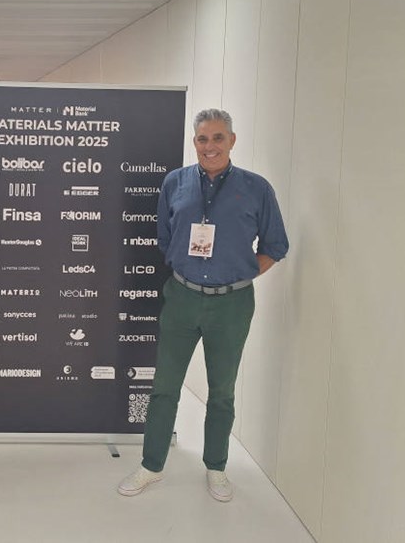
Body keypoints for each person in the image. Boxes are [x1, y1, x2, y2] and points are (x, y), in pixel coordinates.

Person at [118, 109, 289, 502]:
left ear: (232, 140)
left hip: (232, 304)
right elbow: (165, 237)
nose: (209, 146)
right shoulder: (174, 183)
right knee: (164, 387)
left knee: (222, 390)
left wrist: (238, 274)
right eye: (202, 139)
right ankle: (151, 466)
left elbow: (275, 246)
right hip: (181, 298)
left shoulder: (257, 188)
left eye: (217, 138)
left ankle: (216, 467)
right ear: (194, 141)